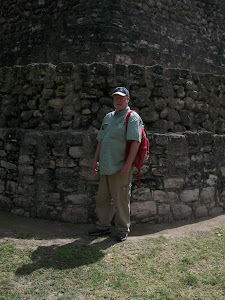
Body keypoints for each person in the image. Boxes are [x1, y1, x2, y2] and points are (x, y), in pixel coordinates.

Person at [89, 87, 143, 242]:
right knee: (103, 199)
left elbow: (136, 142)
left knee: (121, 199)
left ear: (128, 99)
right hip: (105, 166)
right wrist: (95, 160)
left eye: (121, 97)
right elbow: (100, 140)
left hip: (120, 167)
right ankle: (103, 226)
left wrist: (128, 164)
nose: (118, 100)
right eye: (115, 98)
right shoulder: (108, 117)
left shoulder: (132, 117)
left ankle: (122, 229)